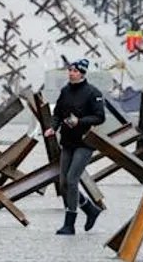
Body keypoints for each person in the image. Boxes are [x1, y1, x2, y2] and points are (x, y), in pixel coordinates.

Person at [44, 59, 106, 235]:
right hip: (68, 142)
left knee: (72, 179)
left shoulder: (93, 93)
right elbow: (57, 114)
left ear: (82, 73)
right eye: (70, 70)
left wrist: (80, 121)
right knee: (63, 183)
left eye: (75, 71)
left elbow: (100, 117)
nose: (71, 73)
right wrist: (52, 127)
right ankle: (90, 210)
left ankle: (69, 224)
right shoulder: (65, 91)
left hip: (85, 143)